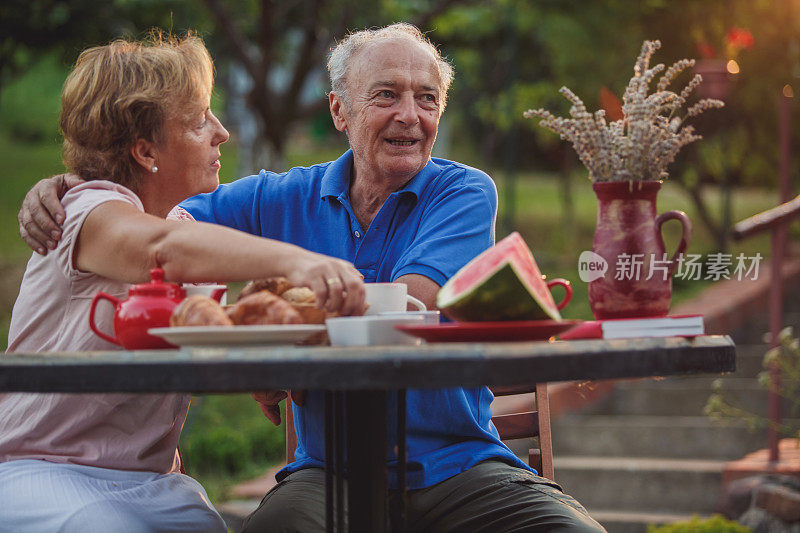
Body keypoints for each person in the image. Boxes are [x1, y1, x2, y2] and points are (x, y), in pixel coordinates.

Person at [18, 23, 605, 532]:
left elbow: (404, 308)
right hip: (331, 473)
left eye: (427, 98)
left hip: (459, 465)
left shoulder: (463, 190)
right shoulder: (280, 196)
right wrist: (71, 187)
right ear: (339, 110)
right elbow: (163, 230)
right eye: (386, 95)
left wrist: (281, 328)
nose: (410, 115)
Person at [2, 33, 366, 533]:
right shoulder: (82, 212)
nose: (221, 132)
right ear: (145, 149)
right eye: (198, 121)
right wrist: (302, 262)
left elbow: (198, 340)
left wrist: (254, 367)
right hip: (44, 471)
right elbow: (158, 252)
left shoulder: (185, 228)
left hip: (151, 481)